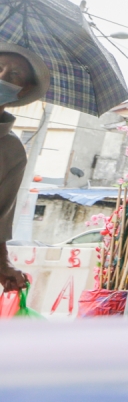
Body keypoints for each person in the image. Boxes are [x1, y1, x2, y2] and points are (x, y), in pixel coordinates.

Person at [0, 44, 50, 293]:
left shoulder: (12, 151)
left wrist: (4, 266)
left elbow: (0, 217)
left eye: (14, 74)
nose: (2, 77)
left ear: (24, 90)